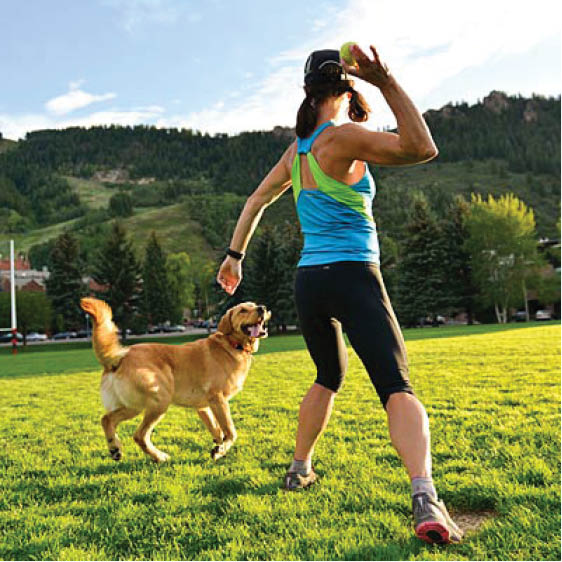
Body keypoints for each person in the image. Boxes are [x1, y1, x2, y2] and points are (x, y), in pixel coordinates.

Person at [216, 44, 463, 545]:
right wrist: (387, 80)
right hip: (354, 275)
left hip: (311, 282)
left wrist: (234, 257)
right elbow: (422, 148)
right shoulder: (345, 136)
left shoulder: (298, 151)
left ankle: (298, 468)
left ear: (307, 90)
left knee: (328, 375)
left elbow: (255, 200)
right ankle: (425, 497)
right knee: (396, 385)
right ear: (346, 87)